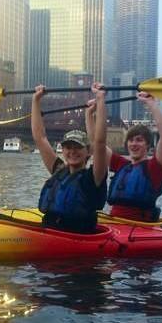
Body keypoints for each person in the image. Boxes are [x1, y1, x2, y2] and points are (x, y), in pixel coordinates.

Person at [31, 82, 109, 234]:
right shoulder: (59, 170)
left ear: (88, 152)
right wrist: (36, 100)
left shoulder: (93, 178)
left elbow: (99, 142)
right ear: (63, 150)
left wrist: (100, 100)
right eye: (68, 147)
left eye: (78, 147)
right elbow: (39, 138)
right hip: (51, 231)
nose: (72, 151)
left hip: (78, 238)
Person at [87, 90, 162, 221]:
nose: (133, 144)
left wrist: (151, 104)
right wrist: (89, 114)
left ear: (148, 145)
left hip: (139, 227)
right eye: (131, 140)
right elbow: (96, 143)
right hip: (115, 223)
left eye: (139, 140)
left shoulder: (155, 167)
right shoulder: (121, 164)